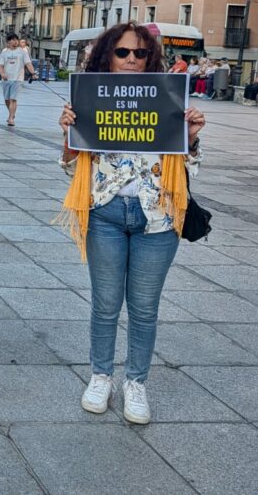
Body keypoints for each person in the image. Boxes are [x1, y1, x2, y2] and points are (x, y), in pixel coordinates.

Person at [57, 22, 206, 425]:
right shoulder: (90, 95)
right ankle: (101, 376)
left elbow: (189, 161)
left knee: (144, 308)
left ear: (149, 58)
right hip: (104, 212)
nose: (132, 60)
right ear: (108, 55)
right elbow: (68, 160)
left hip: (157, 217)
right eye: (123, 52)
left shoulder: (167, 97)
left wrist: (190, 135)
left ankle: (135, 382)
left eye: (140, 54)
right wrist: (69, 129)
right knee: (105, 306)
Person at [0, 33, 35, 126]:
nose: (15, 41)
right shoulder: (4, 52)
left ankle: (11, 118)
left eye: (16, 40)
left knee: (13, 99)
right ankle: (12, 113)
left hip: (18, 78)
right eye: (13, 40)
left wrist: (33, 73)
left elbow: (28, 63)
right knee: (7, 100)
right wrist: (2, 74)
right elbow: (0, 66)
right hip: (6, 79)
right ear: (8, 42)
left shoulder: (23, 52)